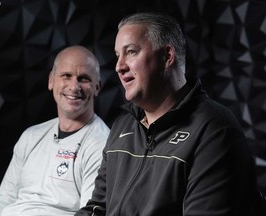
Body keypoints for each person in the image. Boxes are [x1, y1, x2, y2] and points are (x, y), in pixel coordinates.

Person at [76, 12, 260, 215]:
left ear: (167, 56)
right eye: (118, 55)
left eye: (131, 52)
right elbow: (98, 208)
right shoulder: (123, 125)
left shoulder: (215, 130)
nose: (119, 66)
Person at [0, 45, 110, 216]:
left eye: (84, 79)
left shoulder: (101, 145)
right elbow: (4, 199)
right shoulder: (31, 136)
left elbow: (90, 213)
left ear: (97, 87)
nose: (74, 87)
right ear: (51, 80)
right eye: (66, 76)